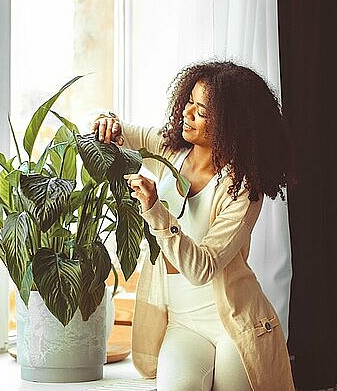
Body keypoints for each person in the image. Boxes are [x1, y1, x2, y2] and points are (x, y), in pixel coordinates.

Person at [93, 60, 297, 391]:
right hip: (182, 323)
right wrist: (106, 121)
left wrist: (154, 209)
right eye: (189, 101)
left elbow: (203, 267)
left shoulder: (242, 188)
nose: (187, 113)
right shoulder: (170, 150)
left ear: (230, 125)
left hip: (235, 322)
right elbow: (120, 132)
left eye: (200, 111)